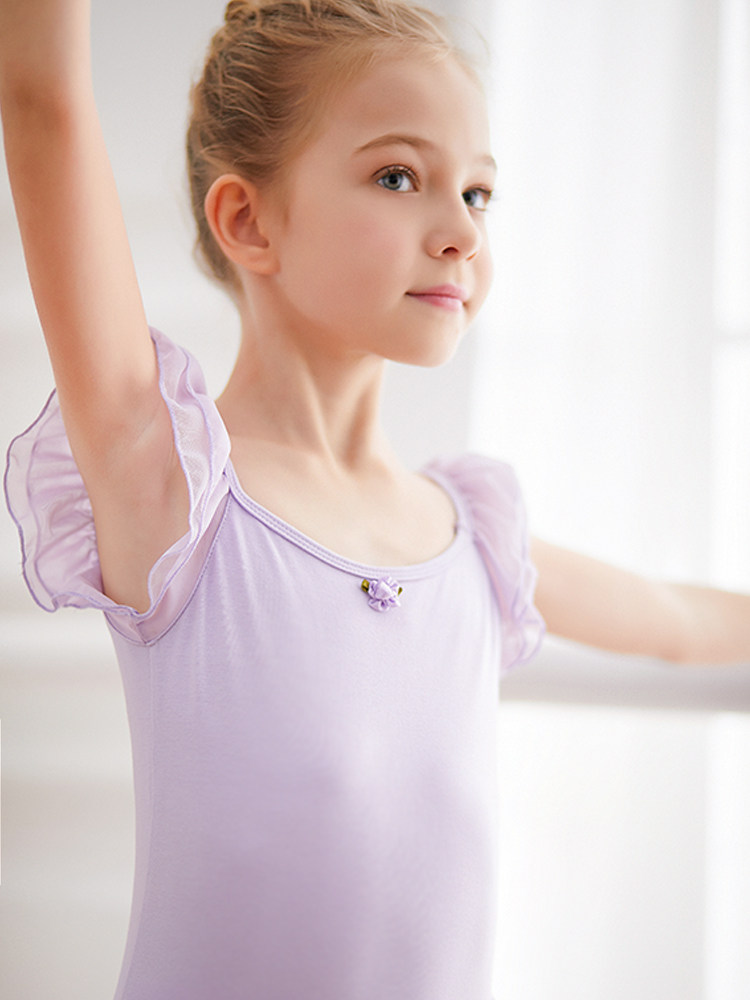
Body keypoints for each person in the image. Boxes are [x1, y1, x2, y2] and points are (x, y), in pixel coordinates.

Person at [1, 0, 749, 997]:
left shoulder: (473, 536)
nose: (461, 232)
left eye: (478, 192)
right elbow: (43, 103)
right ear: (249, 221)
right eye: (398, 177)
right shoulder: (172, 488)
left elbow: (678, 621)